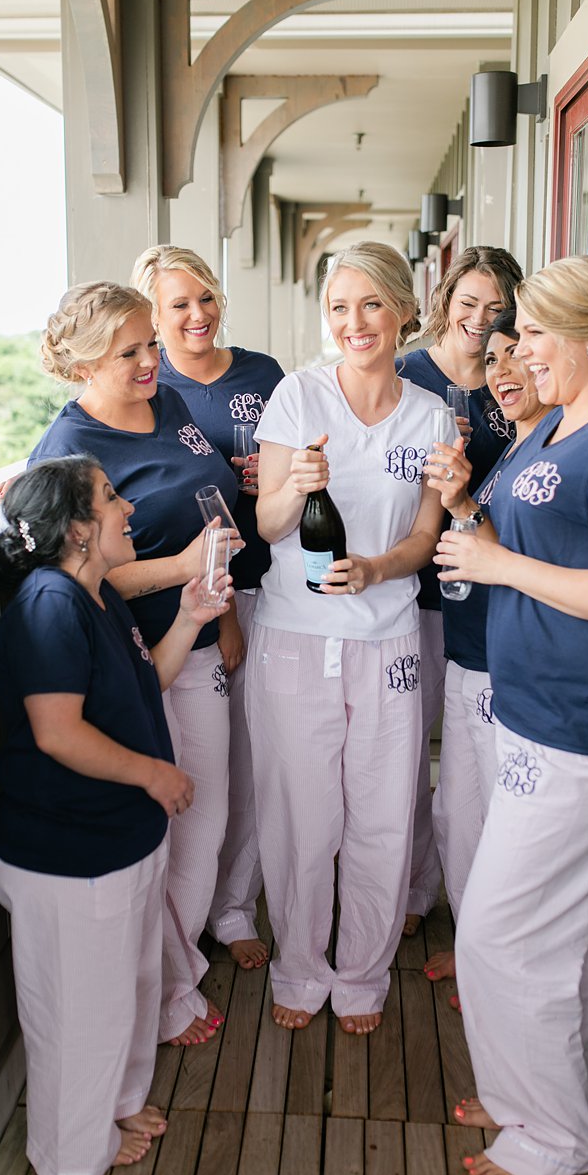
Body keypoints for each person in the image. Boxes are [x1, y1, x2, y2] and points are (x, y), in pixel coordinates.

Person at [431, 255, 588, 1175]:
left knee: (500, 933)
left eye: (532, 334)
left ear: (584, 337)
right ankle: (532, 1097)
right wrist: (466, 509)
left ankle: (553, 1136)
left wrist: (499, 571)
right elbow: (526, 542)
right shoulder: (560, 423)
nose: (516, 352)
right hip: (534, 713)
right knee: (564, 931)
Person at [0, 454, 227, 1175]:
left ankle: (118, 1106)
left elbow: (141, 682)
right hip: (68, 856)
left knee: (122, 991)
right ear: (81, 531)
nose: (128, 508)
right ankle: (70, 1157)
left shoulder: (94, 597)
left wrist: (189, 617)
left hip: (116, 843)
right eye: (110, 498)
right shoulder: (49, 606)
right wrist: (156, 774)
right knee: (79, 1018)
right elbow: (58, 731)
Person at [28, 282, 242, 1049]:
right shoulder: (68, 451)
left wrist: (227, 613)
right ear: (85, 362)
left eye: (152, 342)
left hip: (198, 639)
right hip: (133, 661)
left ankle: (176, 968)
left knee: (207, 815)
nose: (155, 360)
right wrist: (182, 568)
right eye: (132, 352)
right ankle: (161, 995)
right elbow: (72, 579)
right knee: (161, 828)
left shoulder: (170, 408)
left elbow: (209, 509)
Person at [246, 240, 446, 1036]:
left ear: (401, 308)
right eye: (338, 307)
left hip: (388, 637)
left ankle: (361, 975)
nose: (354, 322)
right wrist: (294, 487)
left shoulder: (432, 415)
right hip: (296, 636)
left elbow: (425, 538)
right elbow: (266, 526)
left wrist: (374, 569)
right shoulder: (298, 397)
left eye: (370, 304)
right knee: (300, 813)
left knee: (383, 812)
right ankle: (299, 965)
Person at [133, 244, 286, 972]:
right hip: (189, 606)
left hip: (265, 585)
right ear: (152, 320)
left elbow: (306, 462)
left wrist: (274, 476)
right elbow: (85, 442)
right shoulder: (146, 383)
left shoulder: (262, 374)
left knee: (253, 760)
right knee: (202, 766)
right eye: (178, 305)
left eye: (205, 298)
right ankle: (177, 919)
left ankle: (233, 907)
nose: (197, 315)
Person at [395, 245, 524, 942]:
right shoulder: (406, 372)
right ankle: (413, 890)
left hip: (485, 594)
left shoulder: (515, 378)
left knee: (473, 758)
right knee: (412, 751)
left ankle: (471, 895)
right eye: (469, 303)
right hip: (413, 591)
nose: (480, 319)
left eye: (496, 307)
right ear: (445, 301)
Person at [418, 309, 549, 994]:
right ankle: (475, 953)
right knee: (458, 815)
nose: (503, 370)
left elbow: (521, 558)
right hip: (468, 655)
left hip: (509, 668)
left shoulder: (553, 449)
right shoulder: (515, 450)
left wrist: (464, 504)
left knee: (502, 827)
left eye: (519, 354)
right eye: (493, 359)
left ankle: (500, 977)